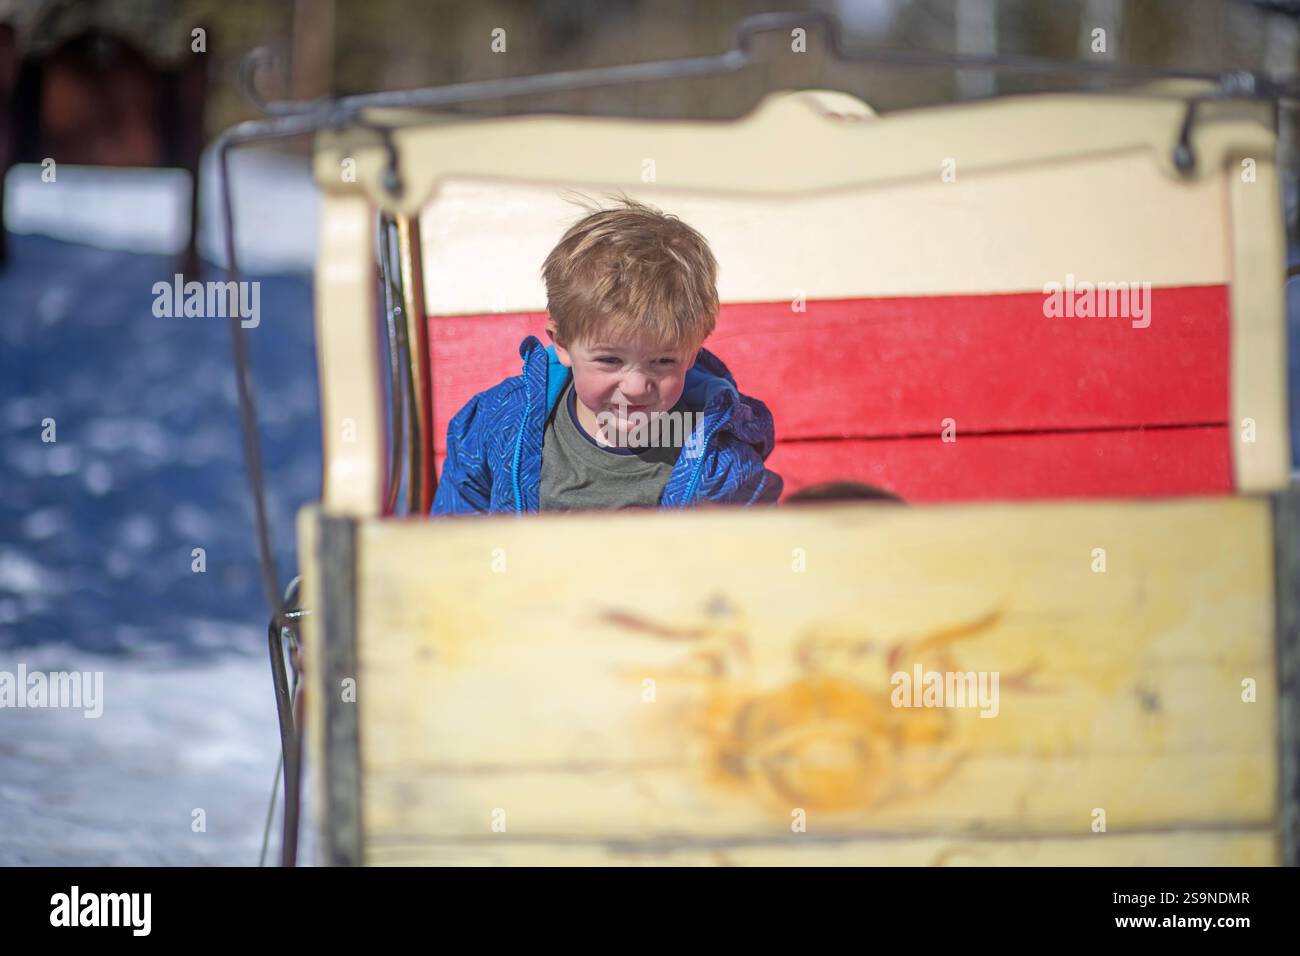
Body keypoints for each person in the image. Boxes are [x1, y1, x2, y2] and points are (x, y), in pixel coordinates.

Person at [432, 197, 782, 514]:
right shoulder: (499, 426)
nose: (635, 386)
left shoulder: (719, 462)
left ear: (693, 352)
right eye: (610, 361)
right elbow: (453, 544)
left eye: (663, 361)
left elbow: (751, 563)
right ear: (563, 343)